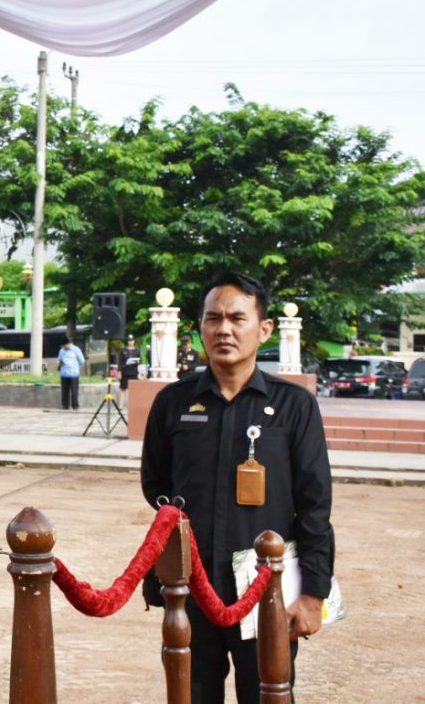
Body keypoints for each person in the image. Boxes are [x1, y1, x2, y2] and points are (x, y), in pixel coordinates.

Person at [140, 271, 334, 703]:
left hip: (265, 592)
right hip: (190, 587)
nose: (224, 329)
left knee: (267, 693)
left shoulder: (293, 406)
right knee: (191, 693)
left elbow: (315, 504)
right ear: (200, 328)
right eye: (213, 319)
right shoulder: (173, 402)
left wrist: (313, 594)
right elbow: (156, 485)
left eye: (237, 318)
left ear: (264, 329)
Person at [57, 337, 86, 410]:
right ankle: (65, 405)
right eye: (63, 346)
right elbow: (59, 360)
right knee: (64, 391)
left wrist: (76, 366)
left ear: (68, 343)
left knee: (74, 390)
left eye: (64, 345)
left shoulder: (76, 350)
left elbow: (82, 360)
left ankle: (75, 405)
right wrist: (60, 365)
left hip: (74, 373)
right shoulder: (61, 351)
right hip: (64, 373)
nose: (64, 347)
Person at [117, 334, 141, 409]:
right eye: (129, 341)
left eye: (132, 340)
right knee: (122, 388)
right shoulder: (123, 350)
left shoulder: (137, 350)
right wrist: (119, 372)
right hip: (125, 371)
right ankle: (120, 405)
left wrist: (138, 362)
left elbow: (140, 360)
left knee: (134, 389)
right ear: (127, 342)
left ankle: (133, 405)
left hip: (133, 371)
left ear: (134, 341)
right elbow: (120, 362)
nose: (130, 342)